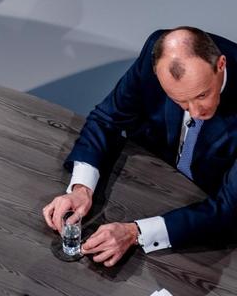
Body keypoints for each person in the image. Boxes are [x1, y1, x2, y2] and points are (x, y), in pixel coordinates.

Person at [43, 26, 237, 266]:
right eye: (180, 101)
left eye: (202, 95)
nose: (195, 113)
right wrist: (81, 189)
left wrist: (135, 233)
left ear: (220, 65)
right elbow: (108, 119)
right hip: (150, 179)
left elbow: (229, 211)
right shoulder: (157, 53)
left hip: (211, 218)